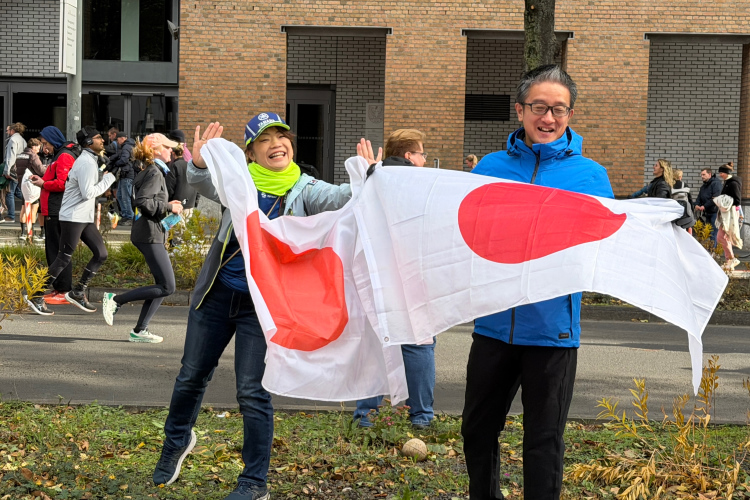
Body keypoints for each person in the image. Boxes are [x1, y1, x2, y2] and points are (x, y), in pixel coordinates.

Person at [152, 113, 352, 500]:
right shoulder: (239, 182)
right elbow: (203, 182)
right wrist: (198, 163)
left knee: (251, 391)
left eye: (281, 136)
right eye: (265, 139)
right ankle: (176, 442)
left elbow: (343, 197)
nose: (276, 143)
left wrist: (372, 177)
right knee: (191, 376)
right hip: (216, 296)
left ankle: (254, 481)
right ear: (251, 153)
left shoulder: (306, 189)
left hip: (261, 308)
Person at [462, 64, 614, 500]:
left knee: (543, 442)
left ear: (570, 114)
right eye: (539, 107)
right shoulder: (490, 168)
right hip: (493, 325)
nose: (548, 118)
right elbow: (455, 225)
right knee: (476, 430)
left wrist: (666, 224)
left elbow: (612, 239)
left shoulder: (590, 176)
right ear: (520, 110)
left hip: (552, 332)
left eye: (558, 109)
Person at [353, 128, 436, 430]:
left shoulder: (374, 178)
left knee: (377, 344)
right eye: (422, 154)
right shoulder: (422, 185)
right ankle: (421, 416)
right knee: (419, 343)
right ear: (409, 156)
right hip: (414, 273)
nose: (425, 160)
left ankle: (366, 415)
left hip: (377, 273)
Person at [24, 127, 117, 315]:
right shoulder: (85, 162)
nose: (102, 140)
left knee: (101, 254)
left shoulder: (89, 160)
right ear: (88, 142)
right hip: (73, 217)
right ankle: (36, 295)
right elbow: (88, 193)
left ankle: (78, 292)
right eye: (98, 138)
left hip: (83, 216)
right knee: (63, 258)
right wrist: (109, 179)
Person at [101, 134, 182, 343]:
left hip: (149, 232)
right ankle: (116, 300)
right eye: (167, 147)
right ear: (156, 150)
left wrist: (167, 205)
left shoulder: (152, 170)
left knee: (161, 286)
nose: (171, 151)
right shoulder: (155, 172)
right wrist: (169, 206)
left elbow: (147, 201)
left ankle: (140, 330)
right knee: (168, 287)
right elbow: (143, 202)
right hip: (149, 233)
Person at [29, 126, 80, 308]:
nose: (44, 147)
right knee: (56, 250)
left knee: (57, 251)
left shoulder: (64, 155)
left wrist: (43, 183)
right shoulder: (61, 154)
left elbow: (64, 183)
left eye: (46, 143)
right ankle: (59, 288)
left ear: (53, 140)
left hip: (57, 209)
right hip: (55, 208)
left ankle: (63, 290)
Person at [15, 137, 46, 242]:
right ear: (34, 146)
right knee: (34, 208)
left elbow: (15, 169)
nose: (39, 149)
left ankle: (23, 233)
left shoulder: (20, 155)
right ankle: (30, 232)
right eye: (39, 147)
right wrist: (48, 169)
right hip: (32, 185)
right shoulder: (33, 156)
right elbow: (41, 170)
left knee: (24, 207)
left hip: (22, 184)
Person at [716, 162, 742, 270]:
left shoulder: (733, 183)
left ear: (726, 172)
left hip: (730, 214)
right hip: (726, 214)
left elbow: (737, 200)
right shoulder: (728, 182)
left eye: (721, 173)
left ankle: (731, 259)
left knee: (721, 237)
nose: (720, 175)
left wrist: (723, 201)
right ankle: (729, 261)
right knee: (723, 237)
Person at [166, 143, 200, 220]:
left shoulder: (174, 166)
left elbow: (169, 187)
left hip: (177, 205)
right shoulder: (190, 166)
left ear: (173, 153)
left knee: (177, 227)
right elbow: (197, 185)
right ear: (183, 152)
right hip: (190, 204)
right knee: (187, 227)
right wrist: (195, 202)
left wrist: (168, 203)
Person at [109, 131, 136, 225]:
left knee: (124, 196)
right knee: (120, 195)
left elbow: (124, 159)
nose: (117, 142)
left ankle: (129, 217)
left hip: (127, 174)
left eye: (118, 139)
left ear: (123, 138)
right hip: (125, 174)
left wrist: (115, 163)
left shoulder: (126, 147)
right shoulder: (128, 146)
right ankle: (125, 215)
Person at [3, 122, 27, 224]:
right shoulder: (23, 140)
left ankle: (11, 216)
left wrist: (7, 170)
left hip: (13, 169)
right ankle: (32, 203)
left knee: (10, 192)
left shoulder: (13, 140)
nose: (7, 132)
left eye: (8, 130)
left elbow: (11, 156)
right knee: (18, 192)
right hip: (21, 168)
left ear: (12, 130)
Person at [695, 167, 723, 247]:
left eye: (704, 175)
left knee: (713, 232)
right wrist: (697, 204)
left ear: (709, 174)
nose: (702, 176)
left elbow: (715, 198)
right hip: (707, 212)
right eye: (701, 175)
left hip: (715, 212)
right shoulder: (704, 186)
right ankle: (710, 249)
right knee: (709, 232)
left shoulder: (716, 184)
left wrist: (704, 206)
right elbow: (699, 197)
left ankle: (713, 251)